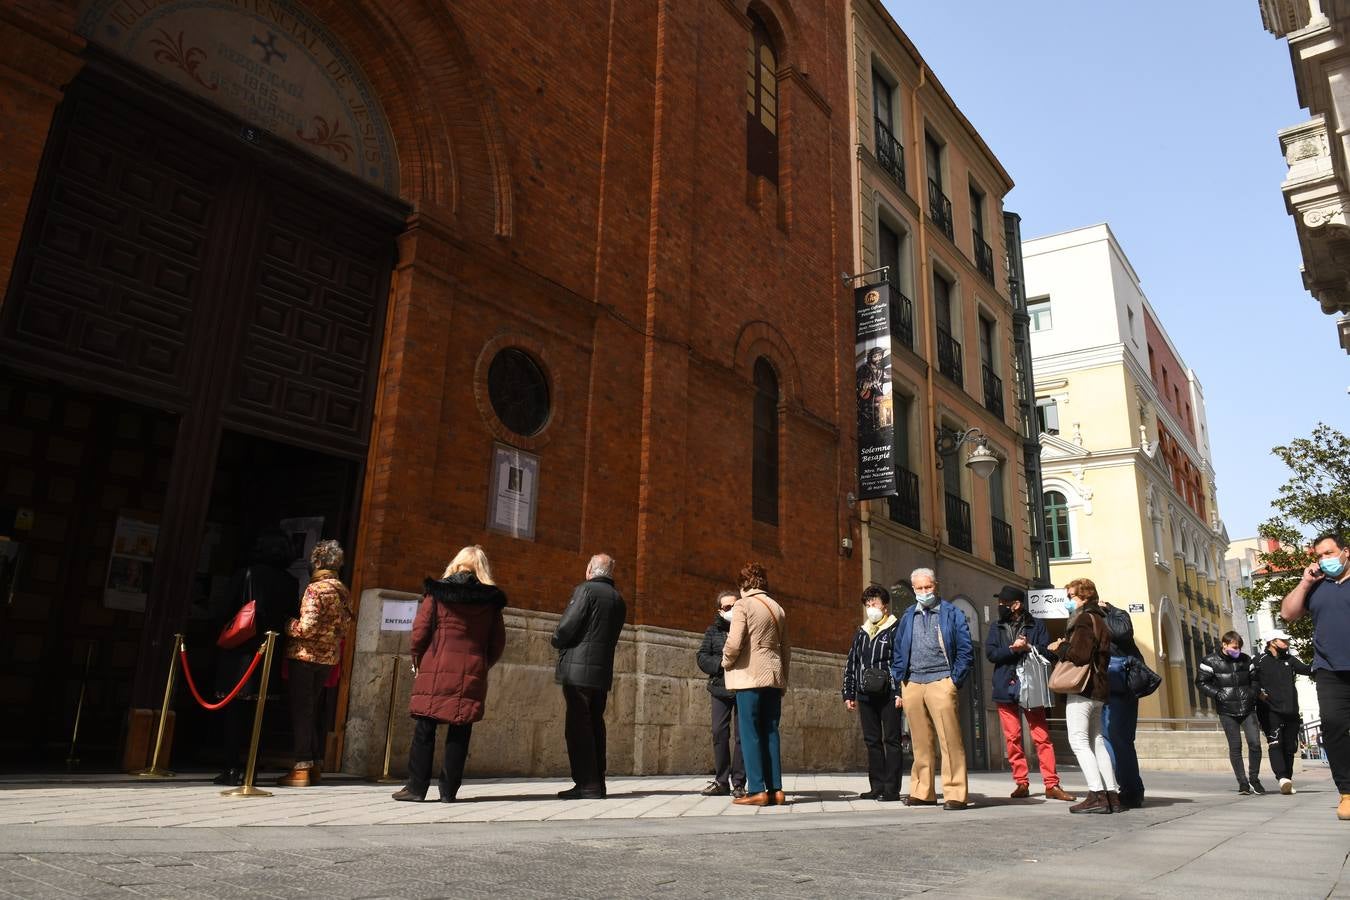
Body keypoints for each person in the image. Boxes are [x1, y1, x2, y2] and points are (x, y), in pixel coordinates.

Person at [392, 546, 507, 803]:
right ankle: (448, 791)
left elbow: (420, 631)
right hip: (472, 667)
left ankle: (416, 788)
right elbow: (498, 642)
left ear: (455, 564)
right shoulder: (491, 601)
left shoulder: (437, 593)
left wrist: (418, 658)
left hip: (436, 664)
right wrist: (482, 663)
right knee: (460, 727)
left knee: (425, 726)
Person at [212, 529, 298, 786]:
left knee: (235, 713)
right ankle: (252, 767)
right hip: (271, 652)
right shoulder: (290, 582)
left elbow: (224, 608)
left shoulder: (246, 574)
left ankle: (232, 768)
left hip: (241, 651)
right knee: (261, 714)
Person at [889, 567, 973, 811]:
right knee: (920, 741)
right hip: (912, 683)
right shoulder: (907, 615)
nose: (924, 592)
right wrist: (900, 680)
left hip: (942, 681)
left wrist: (953, 680)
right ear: (914, 589)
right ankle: (922, 791)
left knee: (950, 740)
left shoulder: (952, 613)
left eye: (928, 587)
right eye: (920, 588)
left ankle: (955, 793)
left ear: (936, 586)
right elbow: (898, 650)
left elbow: (966, 650)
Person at [1281, 532, 1350, 821]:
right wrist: (1305, 581)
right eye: (1319, 555)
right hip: (1329, 671)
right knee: (1334, 730)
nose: (1324, 560)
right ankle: (1347, 793)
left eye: (1329, 553)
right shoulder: (1316, 586)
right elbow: (1288, 612)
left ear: (1346, 552)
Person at [984, 584, 1074, 802]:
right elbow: (991, 654)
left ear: (1016, 605)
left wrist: (1028, 647)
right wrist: (1012, 649)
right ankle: (1021, 782)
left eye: (1004, 603)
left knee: (1041, 737)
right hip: (1005, 685)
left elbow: (1048, 653)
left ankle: (1051, 784)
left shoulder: (1036, 625)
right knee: (1012, 737)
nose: (1000, 607)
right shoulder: (997, 627)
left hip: (1032, 685)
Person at [277, 539, 352, 787]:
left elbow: (306, 627)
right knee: (313, 710)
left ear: (317, 562)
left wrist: (287, 624)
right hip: (328, 658)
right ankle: (315, 765)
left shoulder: (315, 590)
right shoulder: (342, 590)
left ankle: (301, 767)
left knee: (301, 711)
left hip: (305, 656)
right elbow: (345, 627)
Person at [552, 553, 627, 799]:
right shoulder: (618, 599)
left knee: (578, 728)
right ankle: (598, 782)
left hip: (577, 671)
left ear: (589, 569)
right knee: (595, 725)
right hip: (601, 671)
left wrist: (556, 639)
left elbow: (567, 626)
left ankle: (586, 784)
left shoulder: (586, 591)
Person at [722, 562, 790, 807]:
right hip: (773, 676)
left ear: (744, 584)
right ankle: (776, 790)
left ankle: (757, 790)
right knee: (771, 731)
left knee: (749, 733)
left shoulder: (744, 604)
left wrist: (726, 661)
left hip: (750, 676)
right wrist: (783, 679)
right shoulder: (777, 608)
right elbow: (786, 649)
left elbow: (734, 641)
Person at [1050, 578, 1118, 814]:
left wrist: (1059, 648)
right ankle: (1112, 795)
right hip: (1099, 689)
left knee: (1078, 741)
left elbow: (1078, 656)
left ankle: (1096, 794)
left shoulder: (1083, 620)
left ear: (1084, 597)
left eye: (1071, 596)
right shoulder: (1100, 619)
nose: (1069, 601)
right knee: (1096, 741)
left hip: (1083, 689)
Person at [842, 585, 903, 802]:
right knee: (872, 741)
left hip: (888, 694)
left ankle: (891, 789)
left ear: (884, 606)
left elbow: (900, 662)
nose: (870, 609)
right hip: (865, 694)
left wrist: (899, 692)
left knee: (892, 740)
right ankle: (876, 786)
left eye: (874, 604)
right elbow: (852, 662)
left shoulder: (896, 629)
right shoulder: (862, 632)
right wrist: (849, 693)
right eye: (867, 605)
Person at [1196, 631, 1264, 795]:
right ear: (1224, 645)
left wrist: (1252, 693)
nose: (1237, 650)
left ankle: (1254, 779)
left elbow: (1255, 679)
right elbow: (1201, 682)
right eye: (1234, 647)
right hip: (1226, 709)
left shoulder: (1246, 659)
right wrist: (1218, 694)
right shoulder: (1210, 661)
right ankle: (1243, 783)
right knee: (1235, 747)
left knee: (1255, 743)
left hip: (1248, 708)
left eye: (1239, 647)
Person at [695, 590, 746, 798]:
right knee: (719, 732)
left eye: (735, 606)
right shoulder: (713, 631)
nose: (731, 610)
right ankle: (721, 780)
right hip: (720, 687)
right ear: (720, 610)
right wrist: (720, 665)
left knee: (742, 736)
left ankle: (739, 782)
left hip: (743, 687)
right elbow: (702, 656)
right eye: (727, 607)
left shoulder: (747, 628)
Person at [1253, 629, 1313, 795]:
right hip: (1269, 710)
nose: (1286, 644)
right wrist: (1259, 693)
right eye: (1283, 640)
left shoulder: (1290, 660)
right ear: (1273, 642)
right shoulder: (1259, 660)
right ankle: (1281, 777)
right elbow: (1251, 680)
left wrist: (1322, 661)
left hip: (1291, 710)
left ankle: (1287, 780)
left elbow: (1308, 669)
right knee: (1275, 743)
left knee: (1290, 747)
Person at [1101, 597, 1147, 809]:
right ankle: (1125, 787)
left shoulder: (1116, 616)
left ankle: (1131, 790)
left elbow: (1122, 632)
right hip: (1103, 686)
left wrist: (1107, 611)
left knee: (1120, 738)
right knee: (1109, 739)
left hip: (1121, 685)